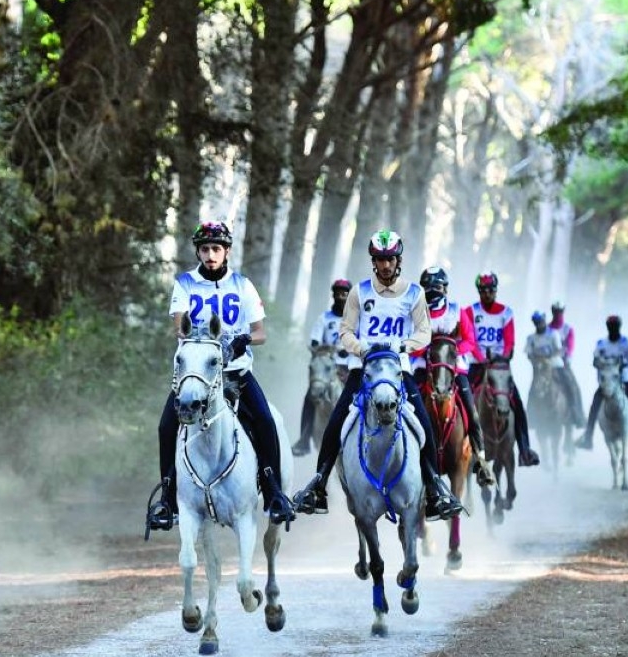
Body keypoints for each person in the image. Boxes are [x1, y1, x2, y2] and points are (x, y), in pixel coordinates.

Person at [291, 230, 464, 521]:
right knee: (336, 421)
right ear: (374, 261)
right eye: (380, 259)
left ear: (399, 260)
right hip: (365, 369)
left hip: (399, 369)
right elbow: (345, 331)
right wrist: (361, 349)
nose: (385, 265)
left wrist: (404, 346)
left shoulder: (414, 294)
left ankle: (435, 489)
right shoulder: (359, 292)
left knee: (423, 422)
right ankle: (318, 485)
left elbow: (424, 333)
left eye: (390, 259)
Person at [146, 221, 295, 534]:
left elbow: (260, 332)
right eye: (205, 249)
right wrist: (197, 338)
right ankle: (168, 500)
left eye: (216, 248)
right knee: (165, 427)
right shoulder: (185, 283)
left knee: (267, 422)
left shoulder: (242, 285)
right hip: (197, 376)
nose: (210, 254)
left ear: (226, 251)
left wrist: (242, 339)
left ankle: (274, 494)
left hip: (235, 374)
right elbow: (178, 325)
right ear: (198, 252)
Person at [411, 266, 494, 487]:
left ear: (445, 289)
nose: (432, 291)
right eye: (428, 287)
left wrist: (451, 350)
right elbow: (412, 345)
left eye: (437, 287)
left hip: (454, 367)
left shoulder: (457, 311)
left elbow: (470, 340)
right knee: (406, 405)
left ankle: (481, 460)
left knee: (471, 410)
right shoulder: (417, 313)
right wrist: (430, 349)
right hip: (423, 366)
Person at [464, 272, 539, 466]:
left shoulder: (506, 313)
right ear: (479, 292)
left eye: (491, 290)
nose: (487, 294)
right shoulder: (470, 312)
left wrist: (503, 358)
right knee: (464, 401)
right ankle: (462, 447)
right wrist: (482, 359)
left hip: (500, 366)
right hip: (478, 365)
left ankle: (524, 450)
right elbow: (470, 341)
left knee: (517, 404)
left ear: (496, 291)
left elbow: (509, 341)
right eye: (483, 291)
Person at [575, 314, 628, 450]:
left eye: (615, 327)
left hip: (624, 380)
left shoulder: (626, 342)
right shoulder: (601, 344)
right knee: (595, 404)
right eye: (610, 327)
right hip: (607, 382)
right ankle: (588, 437)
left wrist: (625, 364)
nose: (613, 329)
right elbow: (595, 361)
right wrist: (601, 364)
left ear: (619, 327)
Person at [292, 279, 353, 456]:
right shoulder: (324, 318)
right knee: (311, 395)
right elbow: (315, 340)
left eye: (345, 292)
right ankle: (304, 439)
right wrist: (323, 349)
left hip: (349, 366)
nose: (341, 295)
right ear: (333, 294)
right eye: (338, 292)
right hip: (327, 364)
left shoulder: (356, 318)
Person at [525, 311, 585, 426]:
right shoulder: (531, 338)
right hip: (540, 369)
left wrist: (547, 357)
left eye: (541, 321)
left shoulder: (553, 334)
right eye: (536, 322)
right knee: (533, 389)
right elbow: (528, 353)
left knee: (571, 385)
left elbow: (559, 349)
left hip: (556, 366)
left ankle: (576, 414)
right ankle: (531, 417)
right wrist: (536, 360)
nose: (539, 324)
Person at [549, 300, 587, 427]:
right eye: (555, 311)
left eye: (560, 311)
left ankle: (578, 415)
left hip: (563, 364)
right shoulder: (547, 328)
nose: (557, 314)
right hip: (547, 364)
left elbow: (570, 346)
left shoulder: (568, 329)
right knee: (536, 386)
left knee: (573, 387)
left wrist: (567, 357)